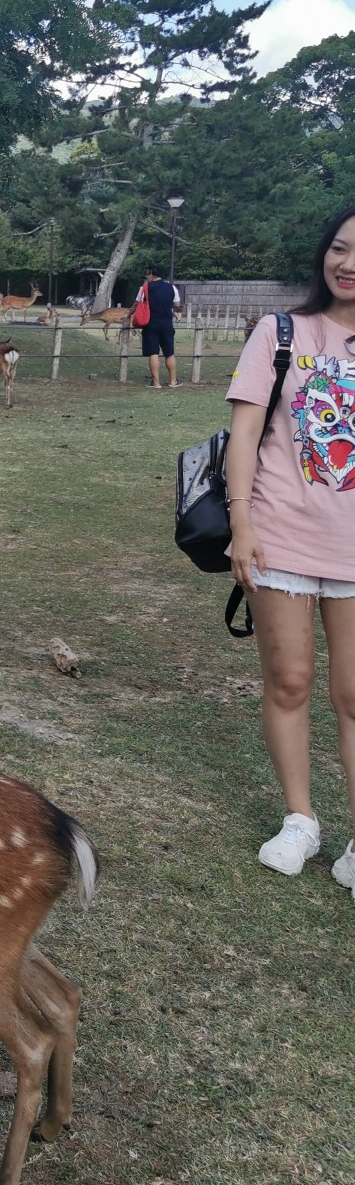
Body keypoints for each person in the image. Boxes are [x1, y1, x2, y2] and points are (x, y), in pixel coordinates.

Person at [226, 207, 355, 896]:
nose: (348, 262)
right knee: (290, 682)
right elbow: (245, 434)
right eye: (339, 247)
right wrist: (242, 524)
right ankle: (300, 818)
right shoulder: (281, 333)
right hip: (281, 534)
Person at [137, 262, 179, 388]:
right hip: (166, 324)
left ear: (152, 274)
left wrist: (129, 315)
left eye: (147, 274)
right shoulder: (172, 288)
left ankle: (156, 383)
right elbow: (177, 305)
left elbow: (136, 304)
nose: (146, 277)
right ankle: (173, 381)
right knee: (169, 353)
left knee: (153, 353)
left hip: (150, 324)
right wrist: (176, 312)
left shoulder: (144, 288)